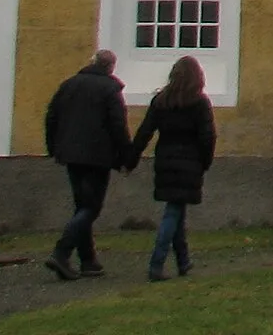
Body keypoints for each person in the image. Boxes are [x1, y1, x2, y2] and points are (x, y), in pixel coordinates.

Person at [42, 48, 131, 280]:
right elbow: (118, 126)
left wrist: (53, 147)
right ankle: (61, 252)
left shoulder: (69, 85)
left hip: (70, 154)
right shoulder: (111, 89)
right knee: (91, 208)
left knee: (82, 205)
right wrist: (126, 157)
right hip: (97, 157)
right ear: (111, 67)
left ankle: (88, 261)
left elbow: (51, 116)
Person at [127, 54, 217, 281]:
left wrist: (131, 158)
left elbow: (144, 132)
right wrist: (205, 162)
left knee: (177, 209)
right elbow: (208, 136)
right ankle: (156, 263)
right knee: (173, 211)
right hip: (190, 161)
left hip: (165, 160)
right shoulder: (199, 102)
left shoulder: (161, 101)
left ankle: (183, 261)